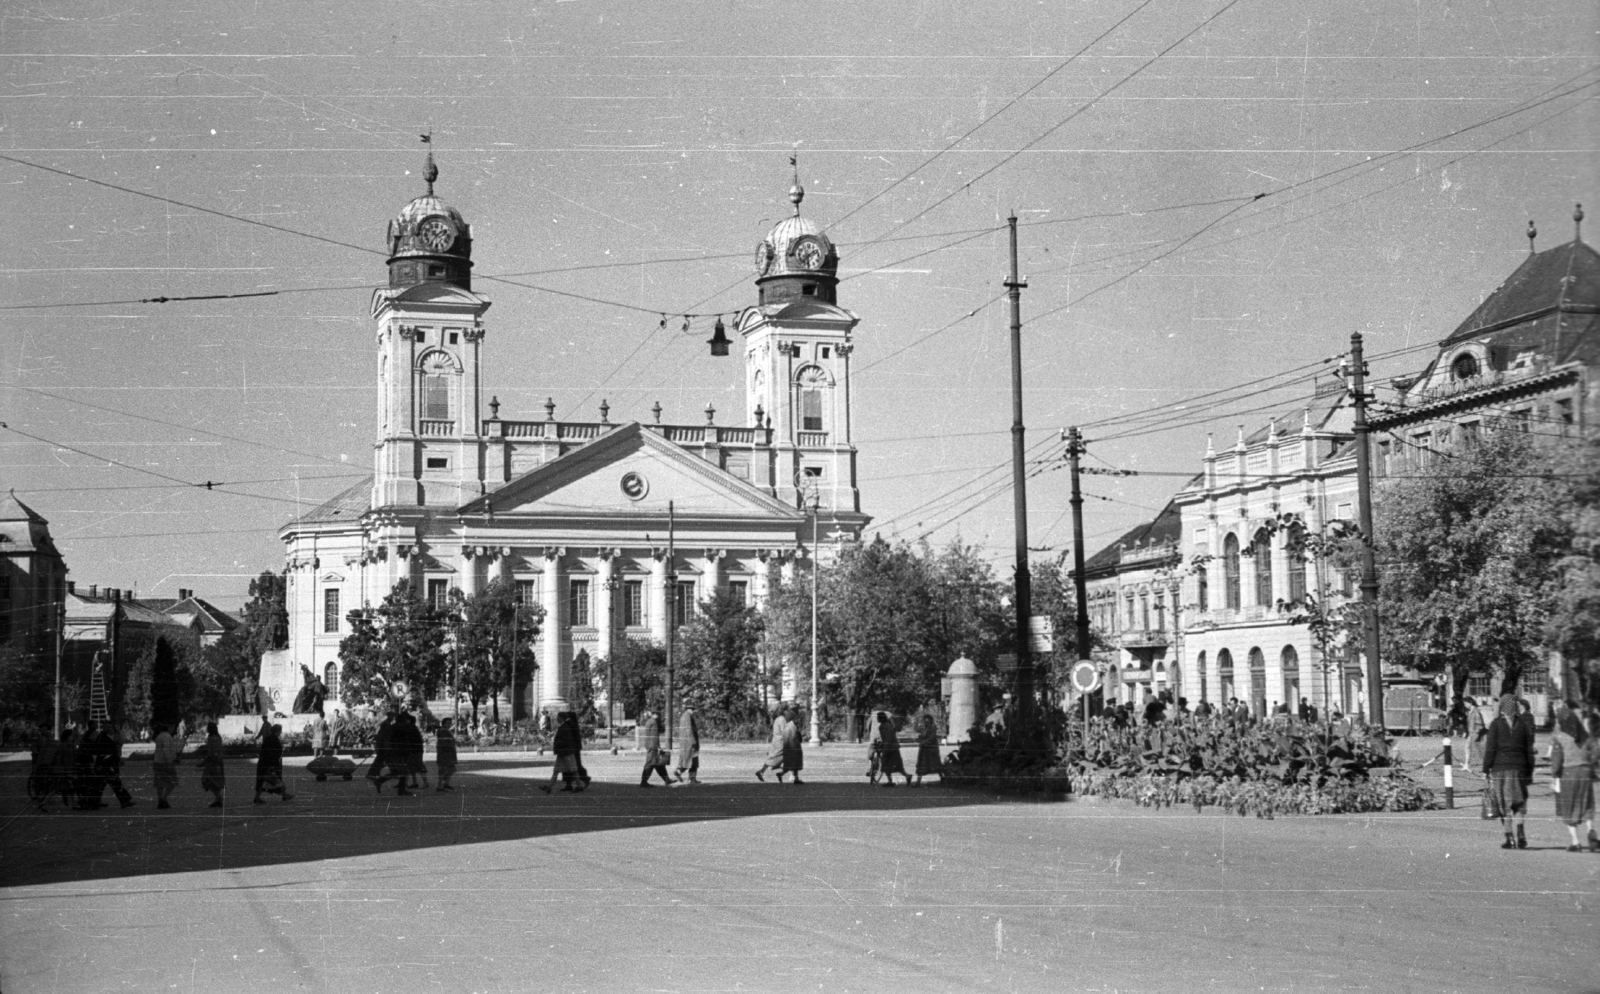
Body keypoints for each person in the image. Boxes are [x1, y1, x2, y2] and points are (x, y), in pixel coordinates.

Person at [1481, 694, 1534, 849]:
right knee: (1519, 802)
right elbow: (1528, 750)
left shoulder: (1496, 724)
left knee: (1504, 803)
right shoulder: (1523, 724)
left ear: (1502, 708)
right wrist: (1529, 771)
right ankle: (1521, 834)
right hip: (1519, 768)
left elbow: (1490, 749)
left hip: (1500, 768)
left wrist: (1485, 769)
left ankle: (1509, 837)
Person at [1546, 710, 1598, 852]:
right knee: (1587, 803)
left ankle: (1575, 842)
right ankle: (1591, 831)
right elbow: (1594, 754)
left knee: (1569, 806)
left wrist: (1554, 775)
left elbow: (1557, 761)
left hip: (1569, 773)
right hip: (1585, 772)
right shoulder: (1585, 735)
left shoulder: (1560, 737)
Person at [542, 711, 585, 794]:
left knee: (572, 770)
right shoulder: (564, 726)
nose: (556, 719)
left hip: (566, 752)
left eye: (558, 717)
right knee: (557, 770)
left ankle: (579, 785)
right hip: (563, 752)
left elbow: (566, 740)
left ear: (561, 718)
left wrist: (557, 744)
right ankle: (549, 787)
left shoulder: (565, 727)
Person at [253, 723, 292, 804]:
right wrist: (272, 765)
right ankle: (284, 795)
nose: (280, 733)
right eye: (280, 731)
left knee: (263, 780)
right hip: (270, 763)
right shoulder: (273, 739)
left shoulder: (269, 738)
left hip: (265, 763)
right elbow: (273, 753)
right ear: (277, 731)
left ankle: (257, 797)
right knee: (276, 780)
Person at [638, 711, 673, 787]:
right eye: (659, 715)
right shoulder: (654, 722)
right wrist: (658, 747)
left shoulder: (649, 721)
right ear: (656, 715)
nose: (659, 716)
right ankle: (643, 782)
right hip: (653, 746)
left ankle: (667, 780)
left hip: (650, 745)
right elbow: (655, 736)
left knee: (659, 764)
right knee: (650, 763)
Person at [152, 722, 182, 810]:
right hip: (165, 762)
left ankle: (160, 800)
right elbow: (166, 750)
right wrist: (170, 761)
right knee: (171, 781)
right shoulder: (167, 737)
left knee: (159, 783)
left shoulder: (159, 736)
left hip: (157, 761)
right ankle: (164, 799)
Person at [874, 712, 909, 786]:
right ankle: (907, 776)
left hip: (890, 749)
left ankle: (891, 781)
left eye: (878, 717)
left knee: (887, 765)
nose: (877, 719)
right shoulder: (887, 725)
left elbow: (887, 739)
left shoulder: (884, 726)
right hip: (893, 748)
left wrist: (884, 749)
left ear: (881, 718)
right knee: (897, 766)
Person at [756, 706, 788, 783]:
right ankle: (780, 772)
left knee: (772, 757)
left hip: (775, 741)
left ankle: (762, 771)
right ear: (784, 711)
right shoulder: (782, 719)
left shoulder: (777, 719)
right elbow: (784, 732)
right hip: (781, 742)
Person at [369, 711, 396, 793]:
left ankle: (376, 777)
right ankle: (378, 780)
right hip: (385, 748)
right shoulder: (386, 724)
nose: (393, 717)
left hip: (385, 748)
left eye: (393, 715)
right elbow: (384, 736)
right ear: (388, 716)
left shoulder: (387, 723)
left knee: (381, 763)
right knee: (396, 770)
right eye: (391, 715)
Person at [200, 721, 226, 807]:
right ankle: (218, 798)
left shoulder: (211, 738)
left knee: (208, 780)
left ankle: (218, 798)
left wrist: (204, 761)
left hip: (212, 762)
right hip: (218, 762)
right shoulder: (218, 737)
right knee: (216, 781)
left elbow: (210, 751)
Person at [914, 712, 943, 786]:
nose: (925, 721)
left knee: (936, 764)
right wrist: (920, 738)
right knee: (922, 765)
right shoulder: (925, 727)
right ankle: (918, 782)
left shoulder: (933, 726)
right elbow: (924, 735)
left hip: (931, 749)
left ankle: (942, 777)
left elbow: (933, 736)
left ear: (930, 720)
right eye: (924, 720)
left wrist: (925, 742)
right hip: (924, 749)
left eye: (927, 719)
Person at [674, 706, 701, 784]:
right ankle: (691, 779)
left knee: (688, 760)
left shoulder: (684, 716)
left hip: (685, 743)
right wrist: (693, 741)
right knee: (693, 761)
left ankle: (679, 772)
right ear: (689, 709)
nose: (693, 710)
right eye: (692, 709)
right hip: (689, 743)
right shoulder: (688, 716)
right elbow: (689, 729)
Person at [780, 704, 806, 785]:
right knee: (795, 760)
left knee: (792, 761)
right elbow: (798, 735)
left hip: (788, 744)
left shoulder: (786, 724)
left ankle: (794, 777)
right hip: (794, 744)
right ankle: (794, 777)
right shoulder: (793, 724)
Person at [434, 718, 458, 792]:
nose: (449, 724)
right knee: (444, 770)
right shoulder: (443, 732)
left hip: (448, 754)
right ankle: (440, 785)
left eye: (450, 723)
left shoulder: (446, 731)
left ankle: (445, 784)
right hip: (445, 754)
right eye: (447, 723)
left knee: (451, 769)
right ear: (443, 724)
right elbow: (444, 744)